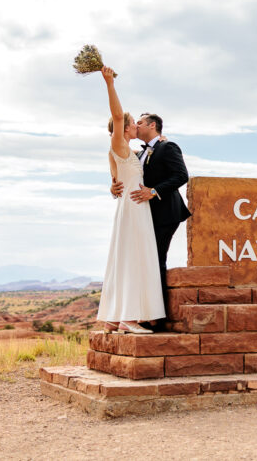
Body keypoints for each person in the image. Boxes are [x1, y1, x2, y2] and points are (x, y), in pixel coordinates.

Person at [96, 66, 165, 333]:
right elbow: (116, 113)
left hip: (133, 206)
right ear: (123, 128)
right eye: (133, 122)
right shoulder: (119, 145)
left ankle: (115, 317)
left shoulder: (128, 152)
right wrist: (109, 83)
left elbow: (117, 182)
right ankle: (129, 318)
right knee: (135, 257)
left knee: (127, 257)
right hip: (135, 207)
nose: (136, 125)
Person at [111, 112, 192, 331]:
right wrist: (114, 186)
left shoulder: (168, 147)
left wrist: (154, 191)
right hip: (144, 217)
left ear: (152, 125)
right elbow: (129, 175)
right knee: (145, 261)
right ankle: (144, 313)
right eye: (134, 123)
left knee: (156, 260)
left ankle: (157, 318)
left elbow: (181, 176)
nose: (136, 126)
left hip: (166, 213)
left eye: (140, 122)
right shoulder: (140, 153)